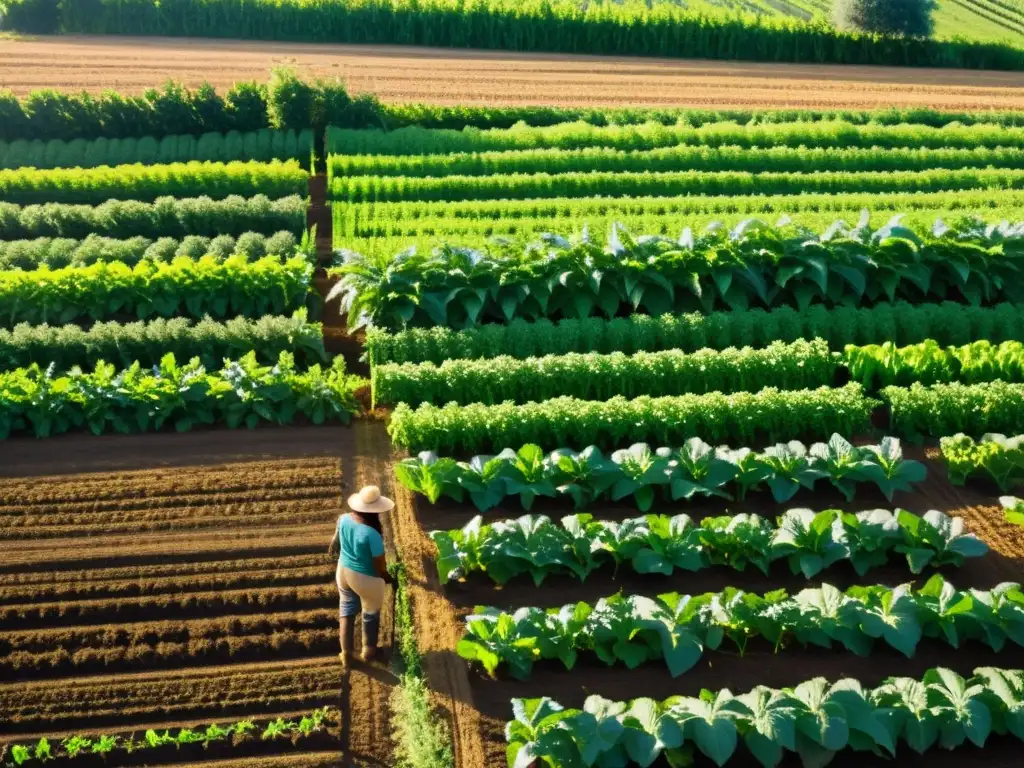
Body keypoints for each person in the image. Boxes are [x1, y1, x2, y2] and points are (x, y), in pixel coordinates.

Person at [328, 484, 394, 667]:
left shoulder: (343, 519)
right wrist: (385, 576)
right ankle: (368, 651)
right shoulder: (372, 534)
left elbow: (335, 542)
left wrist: (334, 546)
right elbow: (378, 563)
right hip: (364, 577)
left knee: (347, 613)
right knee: (370, 613)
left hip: (342, 572)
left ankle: (346, 655)